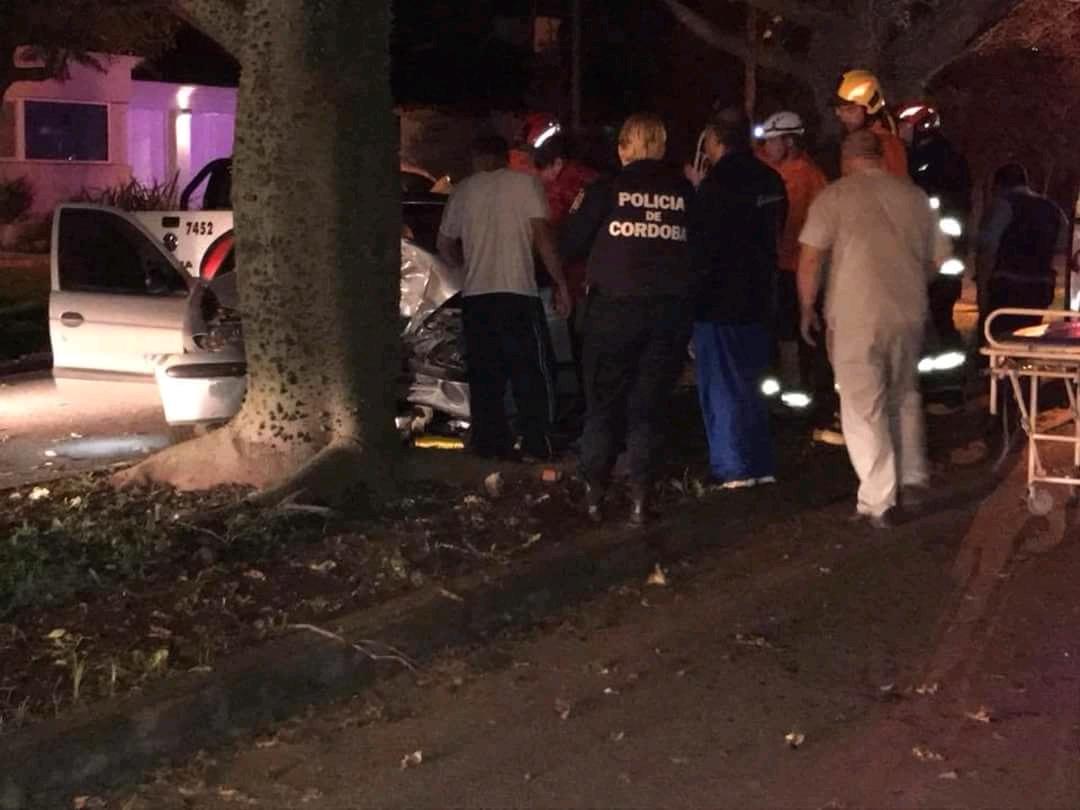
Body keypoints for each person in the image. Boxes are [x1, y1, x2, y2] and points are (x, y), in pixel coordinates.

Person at [797, 130, 945, 528]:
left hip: (855, 315)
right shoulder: (914, 197)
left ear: (846, 159)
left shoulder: (835, 197)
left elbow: (810, 259)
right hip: (908, 311)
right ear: (881, 156)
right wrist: (910, 284)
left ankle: (878, 499)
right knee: (903, 395)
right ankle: (912, 478)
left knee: (863, 406)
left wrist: (806, 306)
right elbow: (938, 259)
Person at [560, 113, 694, 525]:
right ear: (662, 148)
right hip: (668, 314)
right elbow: (701, 250)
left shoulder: (604, 189)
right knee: (648, 406)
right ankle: (640, 498)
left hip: (613, 312)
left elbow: (570, 243)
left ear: (623, 148)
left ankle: (595, 497)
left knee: (602, 404)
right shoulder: (686, 193)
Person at [437, 134, 571, 461]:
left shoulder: (464, 191)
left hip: (478, 296)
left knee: (486, 375)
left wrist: (464, 267)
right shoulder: (525, 186)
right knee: (532, 372)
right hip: (518, 294)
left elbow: (444, 244)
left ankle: (490, 444)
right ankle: (537, 442)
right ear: (503, 157)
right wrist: (560, 283)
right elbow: (542, 237)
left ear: (476, 157)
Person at [688, 107, 788, 488]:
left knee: (721, 388)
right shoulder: (771, 181)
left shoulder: (714, 187)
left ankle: (732, 468)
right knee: (752, 382)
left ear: (715, 141)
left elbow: (702, 250)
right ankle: (760, 463)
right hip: (761, 295)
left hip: (719, 301)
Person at [755, 111, 828, 404]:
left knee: (795, 331)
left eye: (773, 141)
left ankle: (799, 393)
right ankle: (777, 390)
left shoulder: (810, 176)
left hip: (798, 267)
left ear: (790, 141)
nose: (767, 147)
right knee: (775, 330)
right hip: (773, 264)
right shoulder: (765, 166)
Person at [531, 134, 600, 418]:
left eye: (543, 172)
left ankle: (589, 410)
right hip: (601, 278)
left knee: (583, 348)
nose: (543, 180)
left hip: (578, 279)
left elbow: (550, 231)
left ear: (556, 164)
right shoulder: (596, 181)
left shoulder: (564, 187)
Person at [897, 101, 972, 344]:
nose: (900, 132)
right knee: (940, 318)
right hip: (943, 254)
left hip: (937, 255)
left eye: (904, 126)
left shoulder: (928, 160)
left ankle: (944, 374)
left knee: (936, 318)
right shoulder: (946, 156)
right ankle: (948, 374)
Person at [977, 162, 1070, 338]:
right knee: (1026, 339)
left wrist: (983, 289)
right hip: (1040, 288)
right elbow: (1062, 247)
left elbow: (987, 248)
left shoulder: (1002, 205)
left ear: (999, 184)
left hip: (1006, 287)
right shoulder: (1052, 209)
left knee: (996, 340)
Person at [834, 70, 908, 179]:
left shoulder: (885, 145)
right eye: (839, 110)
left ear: (870, 110)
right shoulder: (855, 141)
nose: (842, 116)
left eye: (850, 110)